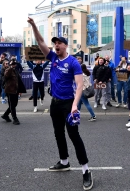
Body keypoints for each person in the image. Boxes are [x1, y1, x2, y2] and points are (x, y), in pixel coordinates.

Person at [27, 17, 93, 190]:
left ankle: (86, 170)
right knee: (58, 133)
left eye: (59, 43)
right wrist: (34, 25)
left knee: (74, 136)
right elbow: (40, 41)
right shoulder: (52, 58)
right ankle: (64, 161)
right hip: (55, 103)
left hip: (68, 103)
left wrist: (74, 106)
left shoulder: (72, 62)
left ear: (65, 45)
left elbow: (79, 86)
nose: (56, 45)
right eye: (54, 43)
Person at [1, 60, 26, 125]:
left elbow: (18, 80)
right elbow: (6, 76)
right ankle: (15, 118)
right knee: (12, 105)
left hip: (15, 90)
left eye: (15, 63)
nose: (14, 64)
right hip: (10, 90)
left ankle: (5, 115)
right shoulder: (7, 70)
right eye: (12, 63)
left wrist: (20, 90)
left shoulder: (15, 70)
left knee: (15, 104)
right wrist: (11, 67)